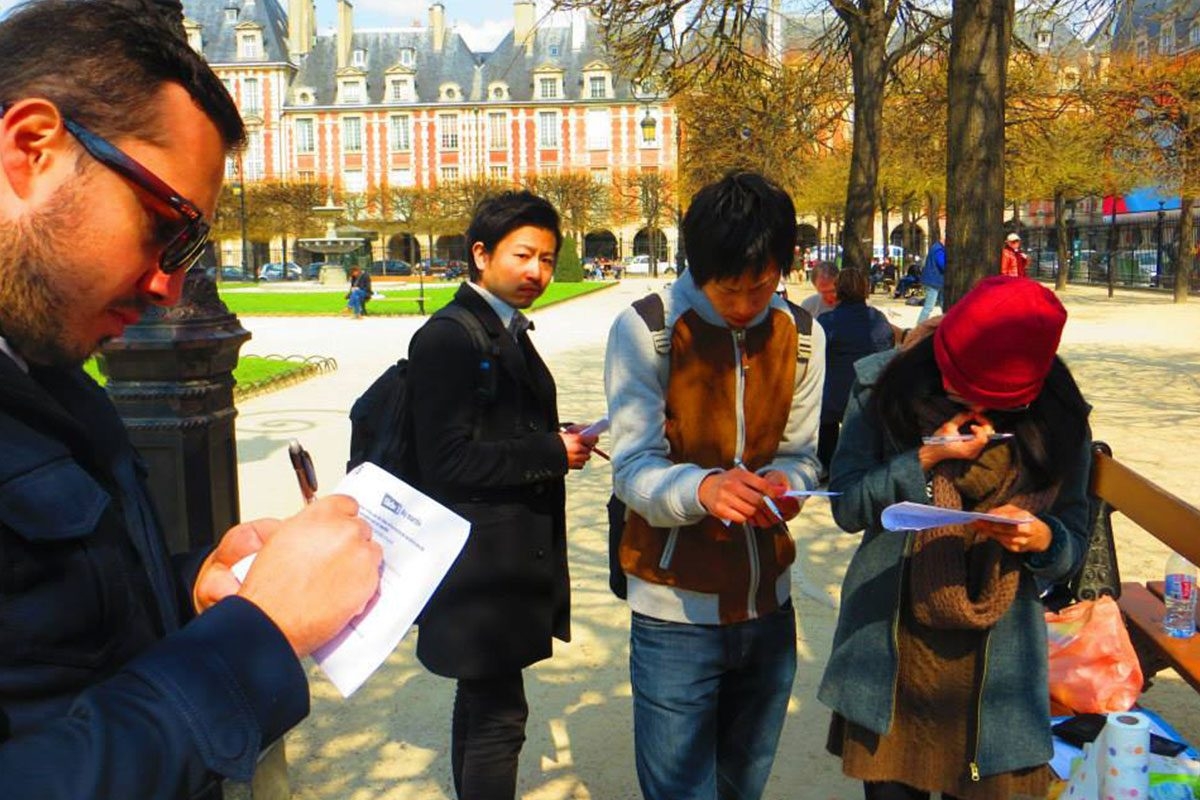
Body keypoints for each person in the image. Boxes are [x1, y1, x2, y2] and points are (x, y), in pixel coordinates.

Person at [0, 2, 384, 797]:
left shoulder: (52, 370)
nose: (171, 287)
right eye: (164, 226)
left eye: (192, 249)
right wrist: (257, 636)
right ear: (32, 149)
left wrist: (193, 585)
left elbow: (58, 643)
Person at [818, 276, 1091, 800]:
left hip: (998, 658)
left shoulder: (1059, 418)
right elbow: (848, 507)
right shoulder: (884, 387)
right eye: (952, 382)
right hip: (893, 641)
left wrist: (1042, 540)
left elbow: (1072, 543)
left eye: (978, 395)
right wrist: (925, 458)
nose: (956, 395)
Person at [604, 172, 825, 800]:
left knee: (741, 786)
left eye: (763, 285)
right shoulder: (647, 328)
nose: (747, 304)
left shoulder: (804, 335)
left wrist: (788, 484)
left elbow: (804, 457)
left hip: (768, 604)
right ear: (698, 269)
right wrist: (703, 490)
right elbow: (632, 467)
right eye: (730, 289)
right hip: (674, 611)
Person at [407, 191, 597, 799]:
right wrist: (550, 453)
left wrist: (555, 438)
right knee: (500, 719)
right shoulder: (449, 337)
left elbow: (495, 429)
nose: (537, 271)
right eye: (523, 255)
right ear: (481, 254)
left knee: (483, 700)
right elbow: (445, 459)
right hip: (479, 569)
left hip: (495, 561)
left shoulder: (501, 328)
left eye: (547, 259)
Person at [816, 267, 894, 480]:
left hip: (833, 396)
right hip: (868, 393)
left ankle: (826, 464)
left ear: (838, 289)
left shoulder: (827, 321)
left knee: (825, 416)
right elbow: (886, 352)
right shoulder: (878, 320)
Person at [917, 239, 946, 323]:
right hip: (934, 282)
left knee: (943, 304)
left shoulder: (936, 248)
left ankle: (948, 323)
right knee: (929, 307)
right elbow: (942, 264)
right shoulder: (939, 250)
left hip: (936, 281)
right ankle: (919, 325)